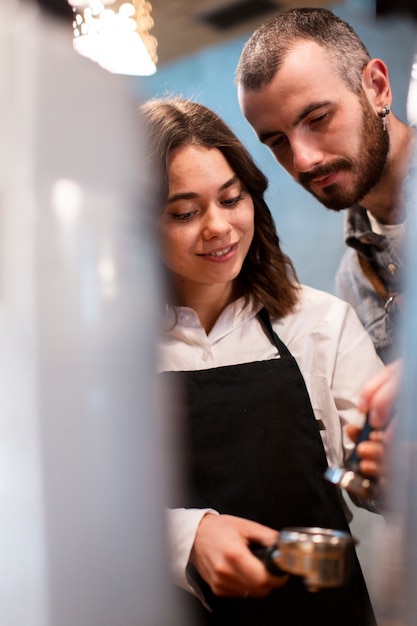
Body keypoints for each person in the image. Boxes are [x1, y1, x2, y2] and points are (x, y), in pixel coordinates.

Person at [140, 95, 387, 625]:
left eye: (231, 199)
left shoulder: (321, 323)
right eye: (184, 212)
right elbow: (69, 508)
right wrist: (187, 535)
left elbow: (377, 481)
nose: (219, 228)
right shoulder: (107, 354)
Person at [236, 7, 416, 365]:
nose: (302, 160)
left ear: (377, 88)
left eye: (318, 119)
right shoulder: (354, 281)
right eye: (277, 142)